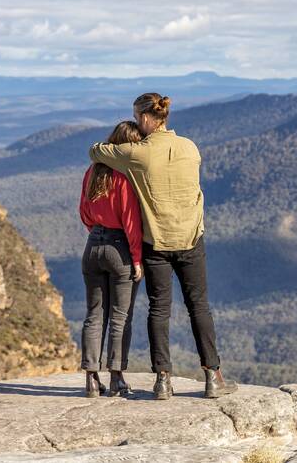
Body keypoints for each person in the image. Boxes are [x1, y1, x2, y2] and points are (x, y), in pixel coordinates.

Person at [89, 93, 237, 400]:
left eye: (136, 117)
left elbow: (96, 151)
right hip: (191, 238)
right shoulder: (190, 147)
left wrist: (120, 147)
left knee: (159, 310)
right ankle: (212, 376)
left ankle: (163, 380)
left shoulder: (137, 154)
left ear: (144, 118)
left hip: (155, 242)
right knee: (199, 306)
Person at [79, 121, 145, 398]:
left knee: (95, 314)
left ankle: (91, 380)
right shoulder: (125, 176)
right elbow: (131, 221)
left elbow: (83, 211)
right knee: (120, 316)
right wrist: (137, 259)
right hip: (120, 249)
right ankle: (117, 378)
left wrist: (97, 232)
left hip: (93, 245)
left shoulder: (92, 172)